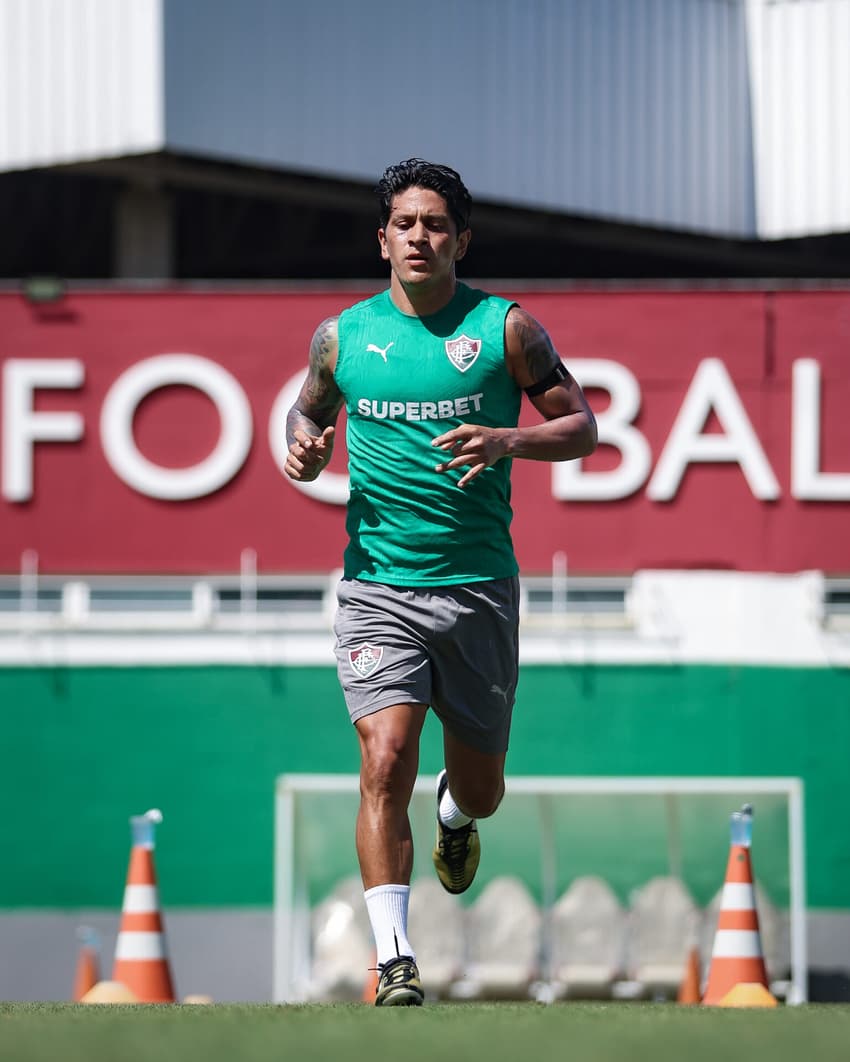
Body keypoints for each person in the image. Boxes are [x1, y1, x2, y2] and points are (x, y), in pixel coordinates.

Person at [284, 158, 597, 1006]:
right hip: (378, 587)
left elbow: (581, 427)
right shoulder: (342, 338)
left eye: (435, 224)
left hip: (477, 590)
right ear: (382, 239)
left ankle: (455, 815)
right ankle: (394, 959)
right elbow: (309, 409)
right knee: (385, 759)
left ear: (461, 240)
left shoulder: (505, 331)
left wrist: (508, 440)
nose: (419, 237)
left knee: (483, 790)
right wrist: (301, 445)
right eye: (405, 223)